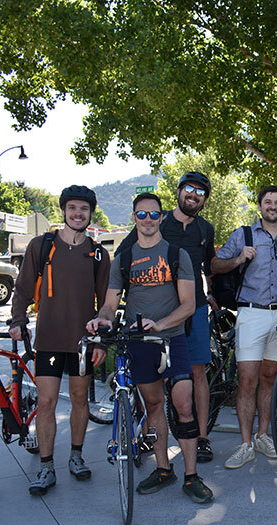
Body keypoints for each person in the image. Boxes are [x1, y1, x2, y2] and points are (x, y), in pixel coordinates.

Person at [87, 192, 213, 503]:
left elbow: (188, 305)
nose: (147, 220)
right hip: (138, 342)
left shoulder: (176, 255)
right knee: (154, 406)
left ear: (161, 217)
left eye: (153, 215)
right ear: (133, 218)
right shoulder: (125, 258)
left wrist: (160, 323)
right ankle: (163, 468)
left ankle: (192, 475)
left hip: (172, 340)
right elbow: (109, 304)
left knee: (184, 405)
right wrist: (100, 320)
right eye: (141, 215)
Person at [10, 185, 111, 496]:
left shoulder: (97, 253)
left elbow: (107, 302)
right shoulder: (43, 246)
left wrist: (101, 342)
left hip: (83, 342)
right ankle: (46, 465)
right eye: (72, 209)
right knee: (46, 401)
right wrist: (17, 320)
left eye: (83, 209)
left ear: (90, 213)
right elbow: (24, 289)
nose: (77, 214)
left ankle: (76, 457)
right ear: (64, 211)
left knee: (80, 401)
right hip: (50, 339)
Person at [115, 172, 218, 463]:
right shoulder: (157, 220)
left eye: (200, 191)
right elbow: (123, 258)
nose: (193, 194)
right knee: (153, 378)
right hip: (156, 314)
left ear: (204, 199)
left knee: (197, 372)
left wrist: (210, 292)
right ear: (178, 191)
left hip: (194, 308)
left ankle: (201, 437)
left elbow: (207, 264)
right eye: (188, 188)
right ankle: (150, 434)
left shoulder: (205, 229)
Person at [212, 185, 277, 469]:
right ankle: (245, 444)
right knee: (247, 381)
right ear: (260, 206)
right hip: (250, 314)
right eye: (268, 202)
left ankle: (263, 435)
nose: (273, 206)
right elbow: (215, 264)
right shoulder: (244, 235)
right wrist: (239, 258)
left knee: (269, 380)